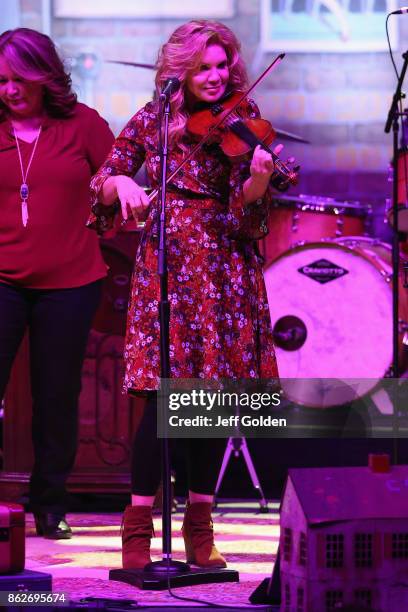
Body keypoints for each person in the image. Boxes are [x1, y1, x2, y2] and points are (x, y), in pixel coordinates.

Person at [89, 20, 279, 569]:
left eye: (223, 65)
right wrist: (121, 183)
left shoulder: (243, 124)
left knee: (210, 403)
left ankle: (201, 528)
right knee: (159, 400)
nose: (217, 76)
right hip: (168, 265)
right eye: (204, 67)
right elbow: (106, 181)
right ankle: (136, 533)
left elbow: (248, 215)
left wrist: (261, 182)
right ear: (180, 72)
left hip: (223, 266)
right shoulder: (153, 120)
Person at [0, 28, 114, 539]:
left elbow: (114, 180)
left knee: (56, 395)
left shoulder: (83, 124)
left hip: (70, 280)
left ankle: (49, 504)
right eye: (0, 80)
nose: (8, 89)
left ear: (45, 76)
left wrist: (120, 188)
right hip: (1, 278)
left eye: (19, 78)